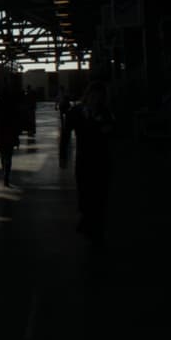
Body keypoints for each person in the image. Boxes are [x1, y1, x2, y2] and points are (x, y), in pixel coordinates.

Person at [69, 82, 115, 243]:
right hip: (84, 159)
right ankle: (87, 217)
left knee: (100, 193)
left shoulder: (105, 112)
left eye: (99, 97)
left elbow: (112, 131)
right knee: (85, 190)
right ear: (88, 96)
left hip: (101, 160)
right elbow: (68, 129)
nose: (96, 99)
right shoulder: (78, 112)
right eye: (94, 96)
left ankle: (96, 225)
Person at [0, 90, 22, 187]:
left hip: (0, 136)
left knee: (3, 154)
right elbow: (17, 124)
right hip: (10, 136)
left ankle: (4, 170)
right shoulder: (13, 110)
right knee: (9, 155)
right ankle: (6, 174)